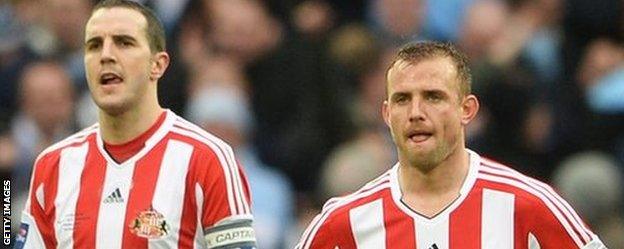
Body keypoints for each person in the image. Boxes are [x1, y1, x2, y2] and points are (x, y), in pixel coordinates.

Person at [296, 41, 606, 249]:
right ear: (387, 114)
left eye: (433, 96)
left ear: (467, 109)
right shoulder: (343, 222)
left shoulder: (530, 205)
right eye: (403, 99)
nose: (416, 113)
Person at [16, 0, 256, 248]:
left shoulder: (208, 159)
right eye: (94, 45)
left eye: (124, 42)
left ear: (158, 64)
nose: (106, 55)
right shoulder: (52, 166)